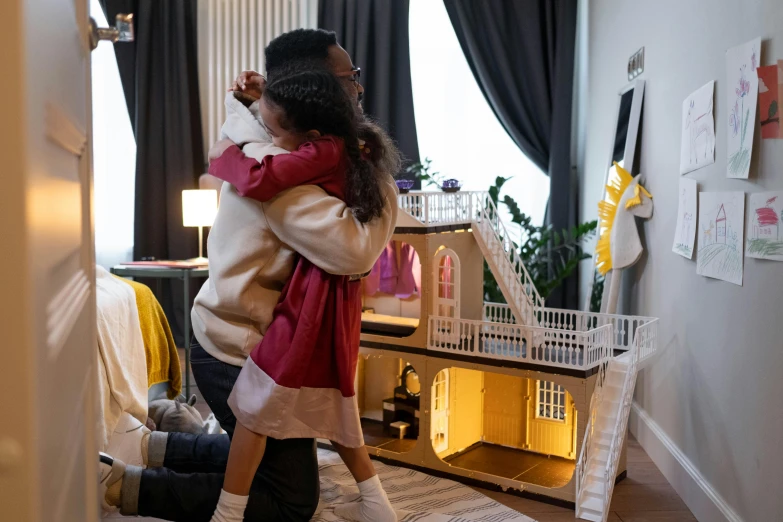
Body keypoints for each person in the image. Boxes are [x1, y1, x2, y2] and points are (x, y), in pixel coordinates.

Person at [99, 29, 398, 522]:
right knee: (292, 500)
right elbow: (355, 250)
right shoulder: (280, 173)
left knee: (271, 460)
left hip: (254, 339)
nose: (358, 89)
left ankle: (159, 450)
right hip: (236, 350)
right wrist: (385, 187)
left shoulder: (295, 150)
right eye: (350, 78)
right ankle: (131, 488)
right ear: (314, 90)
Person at [206, 66, 399, 522]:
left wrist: (223, 157)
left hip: (311, 300)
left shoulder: (319, 153)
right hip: (337, 299)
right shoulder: (356, 146)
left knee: (258, 405)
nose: (267, 138)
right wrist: (257, 103)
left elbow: (261, 178)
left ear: (308, 134)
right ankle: (376, 502)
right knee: (335, 401)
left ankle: (227, 514)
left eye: (272, 130)